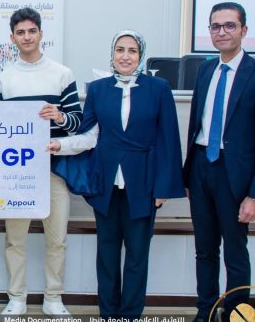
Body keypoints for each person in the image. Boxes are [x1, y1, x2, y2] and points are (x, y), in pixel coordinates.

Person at [48, 29, 185, 320]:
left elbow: (169, 140)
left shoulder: (159, 88)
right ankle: (109, 313)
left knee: (137, 255)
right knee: (107, 254)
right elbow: (89, 136)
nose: (125, 56)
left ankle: (130, 315)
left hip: (144, 184)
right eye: (120, 50)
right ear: (112, 54)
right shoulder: (98, 89)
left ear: (141, 55)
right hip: (106, 185)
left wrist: (163, 188)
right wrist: (59, 145)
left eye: (132, 51)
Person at [183, 2, 255, 322]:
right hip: (201, 167)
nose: (222, 32)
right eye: (215, 26)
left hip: (234, 174)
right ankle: (206, 311)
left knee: (235, 252)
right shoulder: (205, 70)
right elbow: (196, 124)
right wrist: (188, 175)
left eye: (229, 25)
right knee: (205, 249)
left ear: (243, 30)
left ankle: (236, 313)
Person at [0, 8, 82, 316]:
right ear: (12, 38)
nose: (27, 37)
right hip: (17, 174)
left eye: (32, 31)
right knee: (15, 240)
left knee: (57, 240)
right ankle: (16, 297)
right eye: (21, 32)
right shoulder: (4, 77)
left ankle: (53, 298)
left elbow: (77, 122)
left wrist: (59, 116)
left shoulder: (62, 74)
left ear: (41, 34)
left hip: (53, 171)